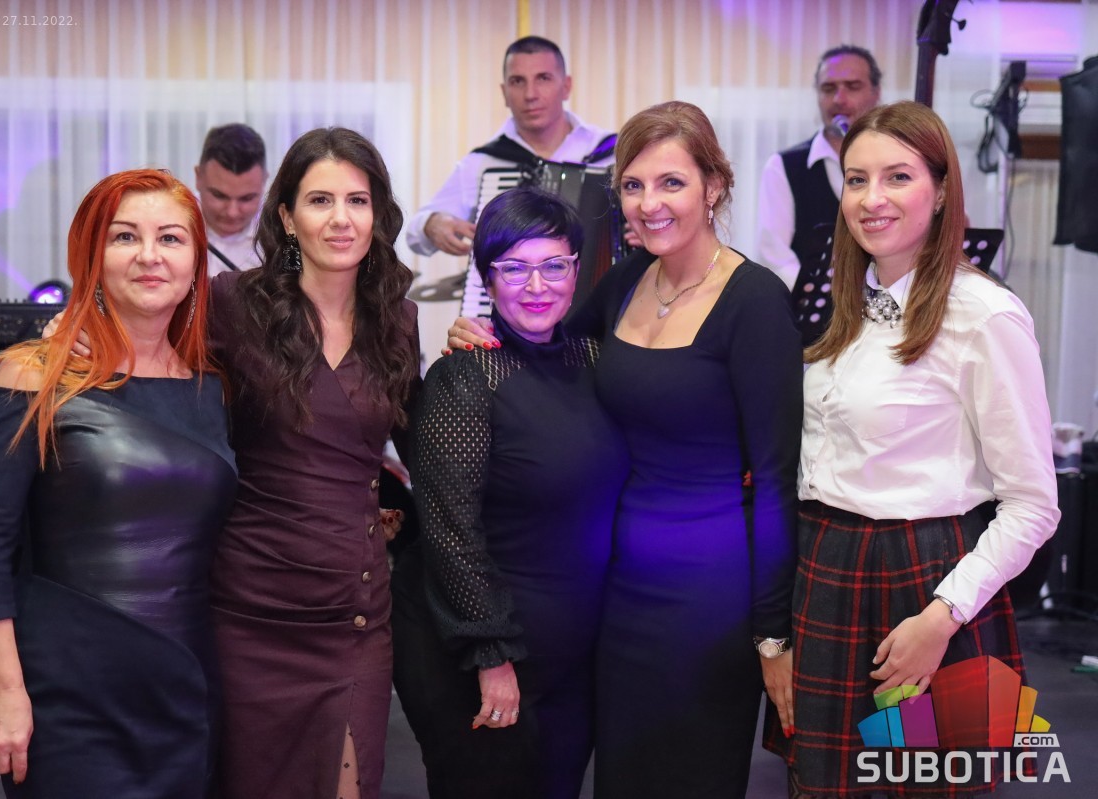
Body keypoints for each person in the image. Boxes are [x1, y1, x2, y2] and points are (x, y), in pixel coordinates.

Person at [449, 101, 804, 798]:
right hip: (618, 589)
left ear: (714, 186)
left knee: (690, 777)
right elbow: (543, 344)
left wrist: (773, 634)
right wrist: (476, 335)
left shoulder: (754, 300)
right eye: (634, 186)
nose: (649, 203)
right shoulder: (626, 281)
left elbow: (774, 478)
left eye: (671, 183)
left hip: (711, 595)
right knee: (622, 775)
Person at [772, 101, 1060, 798]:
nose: (872, 198)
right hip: (826, 571)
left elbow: (1033, 506)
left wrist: (942, 617)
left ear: (940, 190)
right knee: (821, 787)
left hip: (928, 582)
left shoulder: (984, 315)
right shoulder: (845, 305)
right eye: (857, 179)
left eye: (897, 177)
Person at [0, 169, 237, 796]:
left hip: (186, 684)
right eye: (124, 237)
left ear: (196, 261)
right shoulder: (30, 376)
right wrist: (3, 691)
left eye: (170, 238)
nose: (149, 256)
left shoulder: (214, 388)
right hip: (68, 693)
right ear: (92, 254)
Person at [391, 187, 629, 798]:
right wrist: (491, 656)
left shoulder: (595, 360)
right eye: (515, 268)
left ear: (577, 268)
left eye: (554, 265)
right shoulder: (465, 377)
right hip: (488, 654)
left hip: (576, 648)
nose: (536, 286)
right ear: (487, 277)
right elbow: (450, 533)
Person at [208, 127, 420, 799]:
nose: (340, 219)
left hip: (354, 609)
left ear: (377, 214)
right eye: (320, 200)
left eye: (357, 200)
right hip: (253, 606)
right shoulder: (231, 303)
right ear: (286, 216)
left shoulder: (399, 320)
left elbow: (415, 444)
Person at [406, 35, 616, 258]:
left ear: (566, 87)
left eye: (543, 78)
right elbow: (414, 233)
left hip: (604, 280)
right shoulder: (483, 163)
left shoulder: (611, 152)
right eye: (517, 81)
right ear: (504, 92)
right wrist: (431, 223)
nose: (530, 94)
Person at [757, 45, 882, 342]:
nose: (839, 99)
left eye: (852, 86)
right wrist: (829, 297)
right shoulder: (784, 166)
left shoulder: (898, 164)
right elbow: (774, 257)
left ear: (876, 93)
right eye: (828, 88)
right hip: (814, 333)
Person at [194, 123, 268, 275]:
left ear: (264, 181)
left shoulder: (281, 240)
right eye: (219, 196)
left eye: (247, 198)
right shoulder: (167, 229)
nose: (232, 212)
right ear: (198, 177)